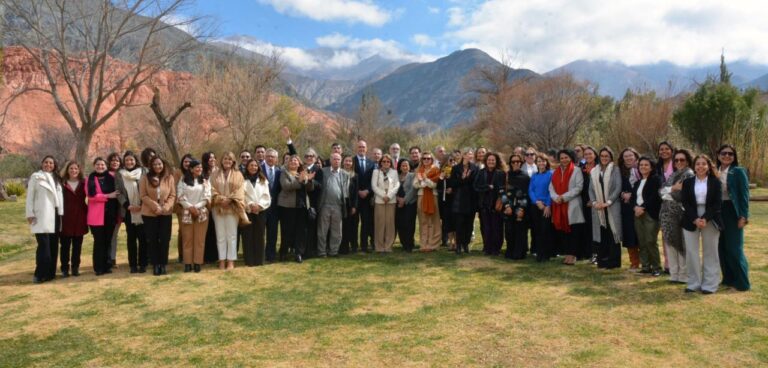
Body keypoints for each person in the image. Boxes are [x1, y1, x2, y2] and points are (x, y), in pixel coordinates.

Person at [680, 155, 723, 294]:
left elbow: (717, 203)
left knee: (710, 251)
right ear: (694, 166)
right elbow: (685, 202)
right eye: (698, 164)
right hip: (690, 217)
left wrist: (705, 218)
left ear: (709, 166)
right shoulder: (687, 182)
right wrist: (695, 219)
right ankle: (693, 283)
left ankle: (710, 285)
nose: (700, 166)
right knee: (692, 252)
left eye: (704, 164)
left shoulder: (715, 182)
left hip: (710, 217)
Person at [716, 144, 751, 291]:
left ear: (734, 156)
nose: (727, 156)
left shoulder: (738, 171)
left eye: (730, 154)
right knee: (722, 247)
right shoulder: (715, 171)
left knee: (734, 248)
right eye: (724, 153)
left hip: (732, 211)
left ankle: (742, 283)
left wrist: (743, 216)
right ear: (718, 155)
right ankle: (728, 279)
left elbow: (744, 195)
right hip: (718, 212)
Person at [26, 156, 63, 283]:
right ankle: (39, 274)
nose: (48, 164)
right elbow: (30, 197)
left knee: (53, 246)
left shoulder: (57, 179)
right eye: (46, 162)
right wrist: (29, 213)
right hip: (41, 216)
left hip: (56, 215)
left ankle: (50, 274)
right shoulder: (35, 177)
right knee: (44, 247)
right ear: (42, 164)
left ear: (54, 165)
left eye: (51, 163)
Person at [660, 149, 695, 283]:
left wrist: (669, 191)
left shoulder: (689, 174)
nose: (679, 162)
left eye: (682, 160)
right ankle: (674, 274)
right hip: (667, 215)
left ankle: (683, 275)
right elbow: (661, 191)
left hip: (679, 214)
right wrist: (672, 189)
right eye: (676, 160)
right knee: (670, 244)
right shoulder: (673, 174)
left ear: (688, 161)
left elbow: (682, 195)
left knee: (680, 243)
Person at [210, 152, 248, 270]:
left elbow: (240, 190)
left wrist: (229, 200)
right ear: (221, 160)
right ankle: (221, 260)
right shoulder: (214, 174)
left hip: (233, 207)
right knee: (220, 235)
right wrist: (221, 200)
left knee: (231, 235)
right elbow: (210, 189)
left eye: (230, 159)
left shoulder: (238, 175)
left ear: (233, 162)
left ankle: (230, 261)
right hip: (218, 207)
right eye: (225, 159)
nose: (227, 161)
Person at [140, 156, 176, 276]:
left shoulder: (169, 177)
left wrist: (165, 208)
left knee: (165, 239)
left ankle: (163, 264)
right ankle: (156, 264)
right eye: (155, 164)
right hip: (150, 214)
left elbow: (172, 195)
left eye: (159, 164)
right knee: (153, 240)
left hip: (165, 213)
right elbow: (143, 195)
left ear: (163, 165)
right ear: (151, 166)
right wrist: (155, 206)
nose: (157, 166)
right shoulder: (145, 178)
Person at [589, 147, 623, 269]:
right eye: (602, 156)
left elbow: (618, 188)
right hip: (598, 208)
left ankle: (614, 262)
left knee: (613, 233)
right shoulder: (594, 171)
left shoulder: (615, 170)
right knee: (602, 233)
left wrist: (608, 202)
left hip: (612, 206)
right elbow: (591, 189)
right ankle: (603, 260)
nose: (604, 158)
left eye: (606, 156)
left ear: (610, 157)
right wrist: (594, 202)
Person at [549, 149, 585, 266]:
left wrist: (563, 197)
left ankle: (573, 255)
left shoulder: (576, 170)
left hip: (572, 205)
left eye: (566, 157)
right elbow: (551, 187)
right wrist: (556, 198)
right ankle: (567, 254)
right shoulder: (555, 172)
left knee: (574, 231)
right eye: (562, 158)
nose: (564, 160)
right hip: (559, 205)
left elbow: (578, 188)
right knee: (564, 232)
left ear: (571, 157)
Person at [278, 155, 315, 263]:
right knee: (287, 230)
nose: (294, 162)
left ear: (299, 164)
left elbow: (311, 188)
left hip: (302, 206)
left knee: (301, 231)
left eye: (296, 160)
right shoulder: (284, 172)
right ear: (288, 163)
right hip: (287, 207)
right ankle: (283, 252)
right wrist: (299, 180)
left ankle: (298, 253)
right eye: (291, 160)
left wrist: (308, 180)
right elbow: (286, 186)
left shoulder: (303, 173)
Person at [116, 151, 148, 273]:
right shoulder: (120, 174)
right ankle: (133, 265)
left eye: (132, 160)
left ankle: (143, 264)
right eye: (127, 160)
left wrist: (141, 204)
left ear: (136, 160)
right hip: (128, 210)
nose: (129, 162)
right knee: (131, 239)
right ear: (124, 162)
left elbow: (148, 188)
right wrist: (127, 205)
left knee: (143, 238)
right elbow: (118, 191)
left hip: (142, 209)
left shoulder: (143, 171)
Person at [86, 157, 119, 276]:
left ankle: (107, 265)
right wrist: (108, 196)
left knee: (108, 241)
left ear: (106, 166)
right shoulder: (89, 179)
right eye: (98, 165)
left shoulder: (112, 178)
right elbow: (91, 196)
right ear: (94, 166)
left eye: (102, 165)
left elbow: (117, 193)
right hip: (96, 217)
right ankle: (98, 267)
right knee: (99, 242)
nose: (100, 167)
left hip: (110, 215)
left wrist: (107, 196)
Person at [177, 159, 211, 272]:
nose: (199, 169)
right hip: (187, 212)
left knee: (199, 239)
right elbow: (180, 196)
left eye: (201, 167)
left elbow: (207, 196)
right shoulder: (183, 180)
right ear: (191, 169)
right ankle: (187, 263)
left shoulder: (205, 181)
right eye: (197, 167)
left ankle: (197, 262)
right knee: (187, 238)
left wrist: (196, 207)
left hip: (201, 212)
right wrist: (190, 207)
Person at [631, 156, 663, 276]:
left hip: (650, 213)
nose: (643, 167)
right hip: (638, 214)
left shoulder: (656, 179)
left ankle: (656, 267)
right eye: (641, 165)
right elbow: (633, 198)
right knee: (642, 241)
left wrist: (642, 207)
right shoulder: (637, 182)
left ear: (651, 167)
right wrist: (635, 207)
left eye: (646, 165)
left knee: (650, 241)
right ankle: (645, 266)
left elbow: (655, 196)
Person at [317, 153, 350, 257]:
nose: (336, 161)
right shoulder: (323, 171)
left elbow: (345, 192)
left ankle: (333, 251)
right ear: (330, 160)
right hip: (325, 205)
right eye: (334, 159)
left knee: (337, 231)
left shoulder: (345, 174)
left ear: (341, 161)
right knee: (322, 230)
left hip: (338, 206)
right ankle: (321, 251)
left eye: (338, 159)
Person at [59, 161, 87, 277]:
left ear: (79, 170)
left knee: (77, 245)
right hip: (66, 217)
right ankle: (65, 268)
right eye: (71, 168)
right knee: (65, 245)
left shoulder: (84, 182)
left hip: (80, 217)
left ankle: (75, 267)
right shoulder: (61, 183)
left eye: (76, 168)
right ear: (67, 170)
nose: (74, 171)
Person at [474, 152, 506, 256]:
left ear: (496, 161)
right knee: (486, 227)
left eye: (493, 160)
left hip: (497, 204)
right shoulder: (481, 172)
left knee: (497, 227)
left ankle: (496, 249)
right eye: (489, 160)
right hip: (484, 204)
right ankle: (487, 248)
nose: (491, 162)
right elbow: (476, 187)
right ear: (486, 161)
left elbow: (503, 188)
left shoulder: (501, 173)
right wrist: (487, 187)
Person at [242, 158, 271, 266]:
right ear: (247, 167)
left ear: (258, 167)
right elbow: (241, 196)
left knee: (259, 235)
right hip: (247, 211)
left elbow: (267, 196)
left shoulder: (263, 180)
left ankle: (259, 260)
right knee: (248, 236)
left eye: (255, 165)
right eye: (251, 165)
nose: (253, 167)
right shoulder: (242, 180)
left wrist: (259, 206)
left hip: (260, 211)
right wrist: (249, 205)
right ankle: (249, 260)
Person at [449, 149, 478, 254]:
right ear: (463, 155)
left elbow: (475, 183)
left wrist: (467, 179)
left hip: (471, 199)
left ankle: (466, 244)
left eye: (471, 154)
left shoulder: (475, 168)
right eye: (467, 154)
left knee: (469, 224)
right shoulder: (456, 168)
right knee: (459, 224)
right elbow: (452, 183)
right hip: (459, 199)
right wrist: (462, 178)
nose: (469, 156)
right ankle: (459, 245)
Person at [413, 152, 442, 251]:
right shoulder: (419, 170)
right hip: (421, 196)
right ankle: (424, 244)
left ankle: (433, 244)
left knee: (434, 221)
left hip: (433, 196)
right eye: (424, 158)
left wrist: (424, 180)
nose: (426, 160)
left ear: (432, 160)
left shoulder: (436, 170)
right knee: (423, 221)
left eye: (428, 158)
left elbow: (434, 185)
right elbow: (415, 185)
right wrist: (425, 183)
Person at [503, 154, 530, 260]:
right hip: (508, 207)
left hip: (520, 207)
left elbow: (526, 194)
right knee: (509, 231)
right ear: (510, 163)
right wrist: (506, 206)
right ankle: (509, 251)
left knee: (520, 231)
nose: (515, 163)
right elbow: (502, 191)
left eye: (518, 161)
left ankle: (519, 253)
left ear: (521, 163)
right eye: (513, 162)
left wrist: (522, 209)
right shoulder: (506, 175)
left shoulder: (526, 177)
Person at [371, 154, 400, 252]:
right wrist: (383, 195)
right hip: (380, 201)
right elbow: (374, 186)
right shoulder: (376, 172)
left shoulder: (394, 172)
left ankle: (388, 246)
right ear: (380, 162)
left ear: (390, 163)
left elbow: (397, 185)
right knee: (379, 224)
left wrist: (389, 196)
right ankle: (379, 247)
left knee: (390, 224)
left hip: (391, 201)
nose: (386, 163)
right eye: (384, 161)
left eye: (388, 161)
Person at [619, 148, 642, 271]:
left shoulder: (641, 168)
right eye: (625, 156)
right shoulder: (620, 172)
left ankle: (646, 262)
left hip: (640, 206)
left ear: (635, 156)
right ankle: (634, 262)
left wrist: (631, 195)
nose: (628, 158)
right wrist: (622, 194)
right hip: (626, 208)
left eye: (630, 155)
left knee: (641, 235)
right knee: (629, 235)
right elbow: (616, 188)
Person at [529, 155, 554, 262]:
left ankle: (546, 254)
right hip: (535, 206)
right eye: (539, 161)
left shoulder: (551, 174)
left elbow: (551, 190)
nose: (541, 163)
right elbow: (531, 190)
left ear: (546, 162)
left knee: (545, 230)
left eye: (543, 161)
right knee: (537, 230)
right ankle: (539, 253)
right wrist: (536, 201)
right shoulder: (534, 176)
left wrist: (547, 205)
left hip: (546, 206)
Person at [656, 141, 675, 273]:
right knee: (665, 235)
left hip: (676, 203)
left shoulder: (677, 164)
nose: (664, 151)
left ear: (672, 150)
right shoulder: (657, 167)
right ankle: (668, 264)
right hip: (662, 204)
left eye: (667, 149)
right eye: (661, 149)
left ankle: (678, 264)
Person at [354, 139, 374, 253]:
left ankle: (364, 246)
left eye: (363, 147)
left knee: (366, 223)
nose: (361, 149)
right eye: (359, 147)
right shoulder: (351, 161)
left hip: (367, 198)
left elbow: (373, 180)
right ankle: (354, 245)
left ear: (366, 149)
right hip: (356, 198)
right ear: (357, 148)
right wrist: (358, 191)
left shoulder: (371, 163)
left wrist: (367, 190)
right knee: (354, 223)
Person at [580, 146, 598, 262]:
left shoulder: (599, 168)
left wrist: (594, 200)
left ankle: (596, 253)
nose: (588, 156)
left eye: (590, 154)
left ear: (595, 155)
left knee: (596, 229)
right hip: (583, 201)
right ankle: (588, 252)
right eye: (585, 154)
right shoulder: (581, 168)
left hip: (596, 202)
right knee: (586, 228)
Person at [263, 148, 282, 262]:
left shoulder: (280, 172)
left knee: (273, 233)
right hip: (261, 207)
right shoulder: (259, 169)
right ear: (265, 157)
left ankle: (271, 256)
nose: (270, 158)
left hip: (275, 208)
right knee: (260, 233)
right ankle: (260, 255)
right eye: (268, 156)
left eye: (273, 157)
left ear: (276, 159)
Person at [396, 159, 417, 252]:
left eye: (406, 165)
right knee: (400, 224)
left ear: (409, 167)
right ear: (400, 167)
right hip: (398, 203)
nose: (405, 167)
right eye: (403, 165)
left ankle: (410, 244)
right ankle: (404, 243)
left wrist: (404, 200)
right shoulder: (396, 176)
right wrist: (398, 199)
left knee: (409, 224)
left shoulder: (412, 175)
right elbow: (392, 189)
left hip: (410, 203)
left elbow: (413, 190)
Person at [201, 152, 219, 263]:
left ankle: (216, 255)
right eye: (209, 158)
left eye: (213, 157)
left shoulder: (219, 171)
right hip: (206, 205)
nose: (212, 159)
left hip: (218, 204)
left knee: (217, 231)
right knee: (207, 231)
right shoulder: (202, 172)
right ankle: (207, 256)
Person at [340, 155, 359, 254]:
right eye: (346, 161)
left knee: (353, 226)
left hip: (351, 203)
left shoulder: (355, 175)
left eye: (350, 161)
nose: (348, 163)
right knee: (343, 226)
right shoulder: (339, 174)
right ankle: (344, 247)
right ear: (343, 162)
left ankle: (354, 246)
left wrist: (354, 206)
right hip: (341, 203)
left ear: (352, 164)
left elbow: (356, 192)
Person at [106, 152, 122, 268]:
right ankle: (108, 258)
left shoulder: (122, 174)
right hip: (108, 209)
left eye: (117, 160)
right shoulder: (105, 175)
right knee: (108, 235)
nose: (115, 162)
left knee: (114, 235)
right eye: (113, 160)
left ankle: (112, 257)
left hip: (120, 209)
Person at [438, 156, 456, 249]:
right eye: (450, 160)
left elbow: (459, 184)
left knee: (455, 221)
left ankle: (456, 242)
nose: (452, 162)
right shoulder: (442, 172)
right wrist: (441, 178)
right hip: (445, 201)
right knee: (447, 221)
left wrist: (452, 190)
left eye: (453, 160)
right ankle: (450, 241)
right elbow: (438, 187)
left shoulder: (457, 172)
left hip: (455, 200)